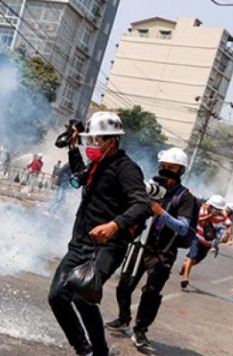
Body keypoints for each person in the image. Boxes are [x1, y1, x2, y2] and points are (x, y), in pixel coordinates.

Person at [47, 112, 150, 356]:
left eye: (95, 140)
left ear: (111, 141)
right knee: (57, 296)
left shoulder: (127, 169)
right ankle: (84, 349)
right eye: (89, 140)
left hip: (108, 246)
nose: (91, 145)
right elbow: (79, 176)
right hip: (80, 243)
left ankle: (100, 352)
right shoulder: (97, 164)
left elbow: (142, 205)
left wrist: (115, 224)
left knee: (83, 297)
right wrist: (73, 148)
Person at [105, 148, 197, 352]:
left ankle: (140, 331)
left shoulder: (185, 197)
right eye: (163, 166)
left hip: (163, 251)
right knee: (124, 284)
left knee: (151, 292)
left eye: (171, 167)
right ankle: (123, 318)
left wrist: (161, 212)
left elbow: (182, 228)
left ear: (180, 170)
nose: (166, 170)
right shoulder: (152, 188)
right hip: (140, 245)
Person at [180, 195, 232, 288]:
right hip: (197, 238)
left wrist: (228, 234)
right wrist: (208, 216)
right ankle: (185, 278)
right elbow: (197, 220)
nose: (217, 211)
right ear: (211, 206)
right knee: (192, 256)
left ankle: (185, 266)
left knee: (197, 260)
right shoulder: (202, 209)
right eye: (216, 209)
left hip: (208, 243)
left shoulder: (222, 216)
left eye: (219, 210)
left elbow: (228, 224)